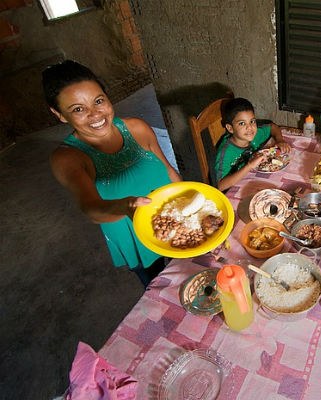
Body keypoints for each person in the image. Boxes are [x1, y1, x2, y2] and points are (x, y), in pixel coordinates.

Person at [43, 60, 182, 287]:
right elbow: (91, 208)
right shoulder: (68, 158)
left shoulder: (137, 128)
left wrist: (186, 205)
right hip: (132, 231)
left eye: (99, 101)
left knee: (190, 267)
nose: (95, 114)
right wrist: (124, 207)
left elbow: (167, 169)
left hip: (174, 217)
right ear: (59, 114)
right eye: (78, 109)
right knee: (160, 285)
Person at [214, 97, 290, 191]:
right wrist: (249, 166)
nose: (249, 127)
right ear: (230, 128)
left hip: (255, 178)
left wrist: (280, 140)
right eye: (242, 123)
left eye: (252, 121)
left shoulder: (254, 134)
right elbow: (220, 186)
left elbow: (272, 127)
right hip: (234, 189)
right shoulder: (225, 153)